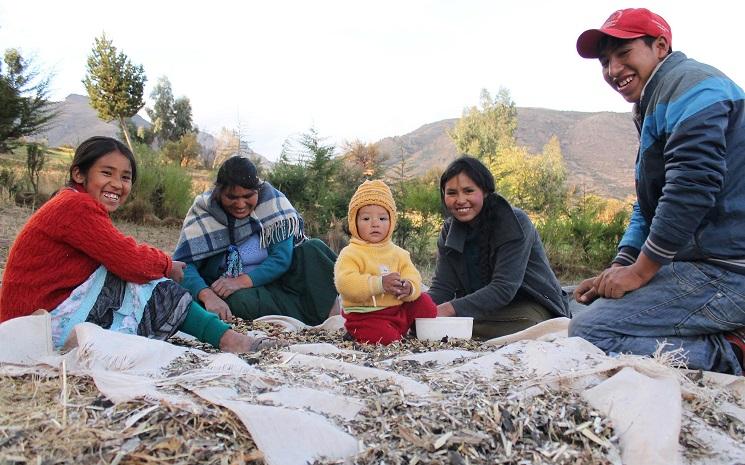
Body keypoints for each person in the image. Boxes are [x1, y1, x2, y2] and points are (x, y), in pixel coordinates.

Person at [570, 8, 745, 375]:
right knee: (589, 313)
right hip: (705, 264)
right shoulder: (656, 101)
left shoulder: (691, 86)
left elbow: (692, 186)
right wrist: (620, 266)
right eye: (605, 61)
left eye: (623, 54)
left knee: (591, 331)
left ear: (660, 46)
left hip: (728, 271)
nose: (613, 70)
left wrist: (640, 272)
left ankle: (731, 353)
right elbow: (647, 208)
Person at [0, 136, 274, 353]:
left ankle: (222, 336)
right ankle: (227, 339)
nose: (117, 184)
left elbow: (119, 251)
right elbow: (128, 260)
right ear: (79, 174)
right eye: (107, 173)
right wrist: (167, 264)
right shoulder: (75, 206)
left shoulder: (71, 202)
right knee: (149, 282)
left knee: (138, 279)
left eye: (125, 177)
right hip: (35, 322)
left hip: (35, 313)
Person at [174, 155, 338, 326]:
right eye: (232, 197)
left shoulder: (273, 204)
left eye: (248, 196)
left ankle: (331, 309)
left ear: (258, 190)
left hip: (283, 281)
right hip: (246, 294)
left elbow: (281, 259)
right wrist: (207, 295)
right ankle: (314, 314)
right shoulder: (204, 212)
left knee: (313, 248)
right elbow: (183, 266)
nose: (240, 204)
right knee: (238, 302)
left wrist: (240, 282)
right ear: (219, 192)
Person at [427, 156, 570, 339]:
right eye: (452, 193)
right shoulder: (450, 229)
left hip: (530, 304)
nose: (460, 200)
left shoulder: (515, 221)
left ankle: (454, 327)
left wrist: (448, 309)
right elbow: (442, 287)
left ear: (485, 192)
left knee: (529, 325)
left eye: (469, 191)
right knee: (426, 317)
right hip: (484, 309)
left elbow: (503, 288)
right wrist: (420, 310)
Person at [334, 179, 437, 344]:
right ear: (354, 223)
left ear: (391, 222)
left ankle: (413, 330)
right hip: (365, 316)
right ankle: (358, 333)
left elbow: (414, 276)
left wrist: (409, 287)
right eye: (366, 219)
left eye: (382, 219)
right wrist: (379, 284)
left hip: (397, 310)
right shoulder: (351, 253)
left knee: (425, 303)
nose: (375, 224)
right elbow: (345, 283)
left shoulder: (399, 253)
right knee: (385, 338)